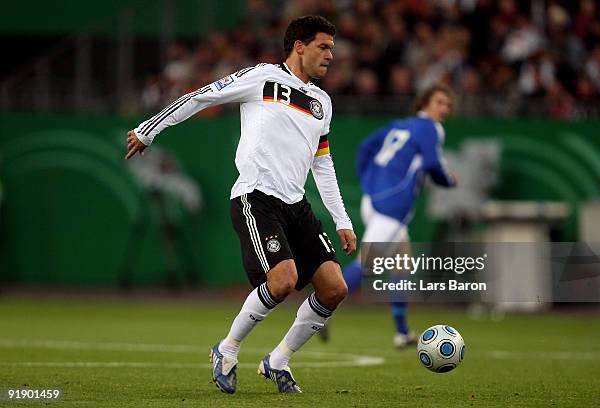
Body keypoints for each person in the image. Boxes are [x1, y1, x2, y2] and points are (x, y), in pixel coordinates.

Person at [125, 15, 356, 394]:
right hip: (256, 197)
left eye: (332, 48)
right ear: (299, 46)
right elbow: (201, 96)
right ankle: (227, 349)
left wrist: (342, 219)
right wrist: (150, 129)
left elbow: (323, 163)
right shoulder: (262, 78)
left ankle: (278, 360)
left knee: (334, 289)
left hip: (296, 205)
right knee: (283, 281)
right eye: (324, 47)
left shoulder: (322, 102)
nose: (331, 55)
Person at [342, 84, 456, 349]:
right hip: (392, 206)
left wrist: (369, 183)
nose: (445, 109)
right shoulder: (430, 128)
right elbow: (431, 164)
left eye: (448, 105)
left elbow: (364, 148)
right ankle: (320, 308)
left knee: (402, 262)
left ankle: (402, 332)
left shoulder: (400, 124)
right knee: (368, 262)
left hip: (374, 200)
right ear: (425, 103)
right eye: (440, 102)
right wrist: (449, 180)